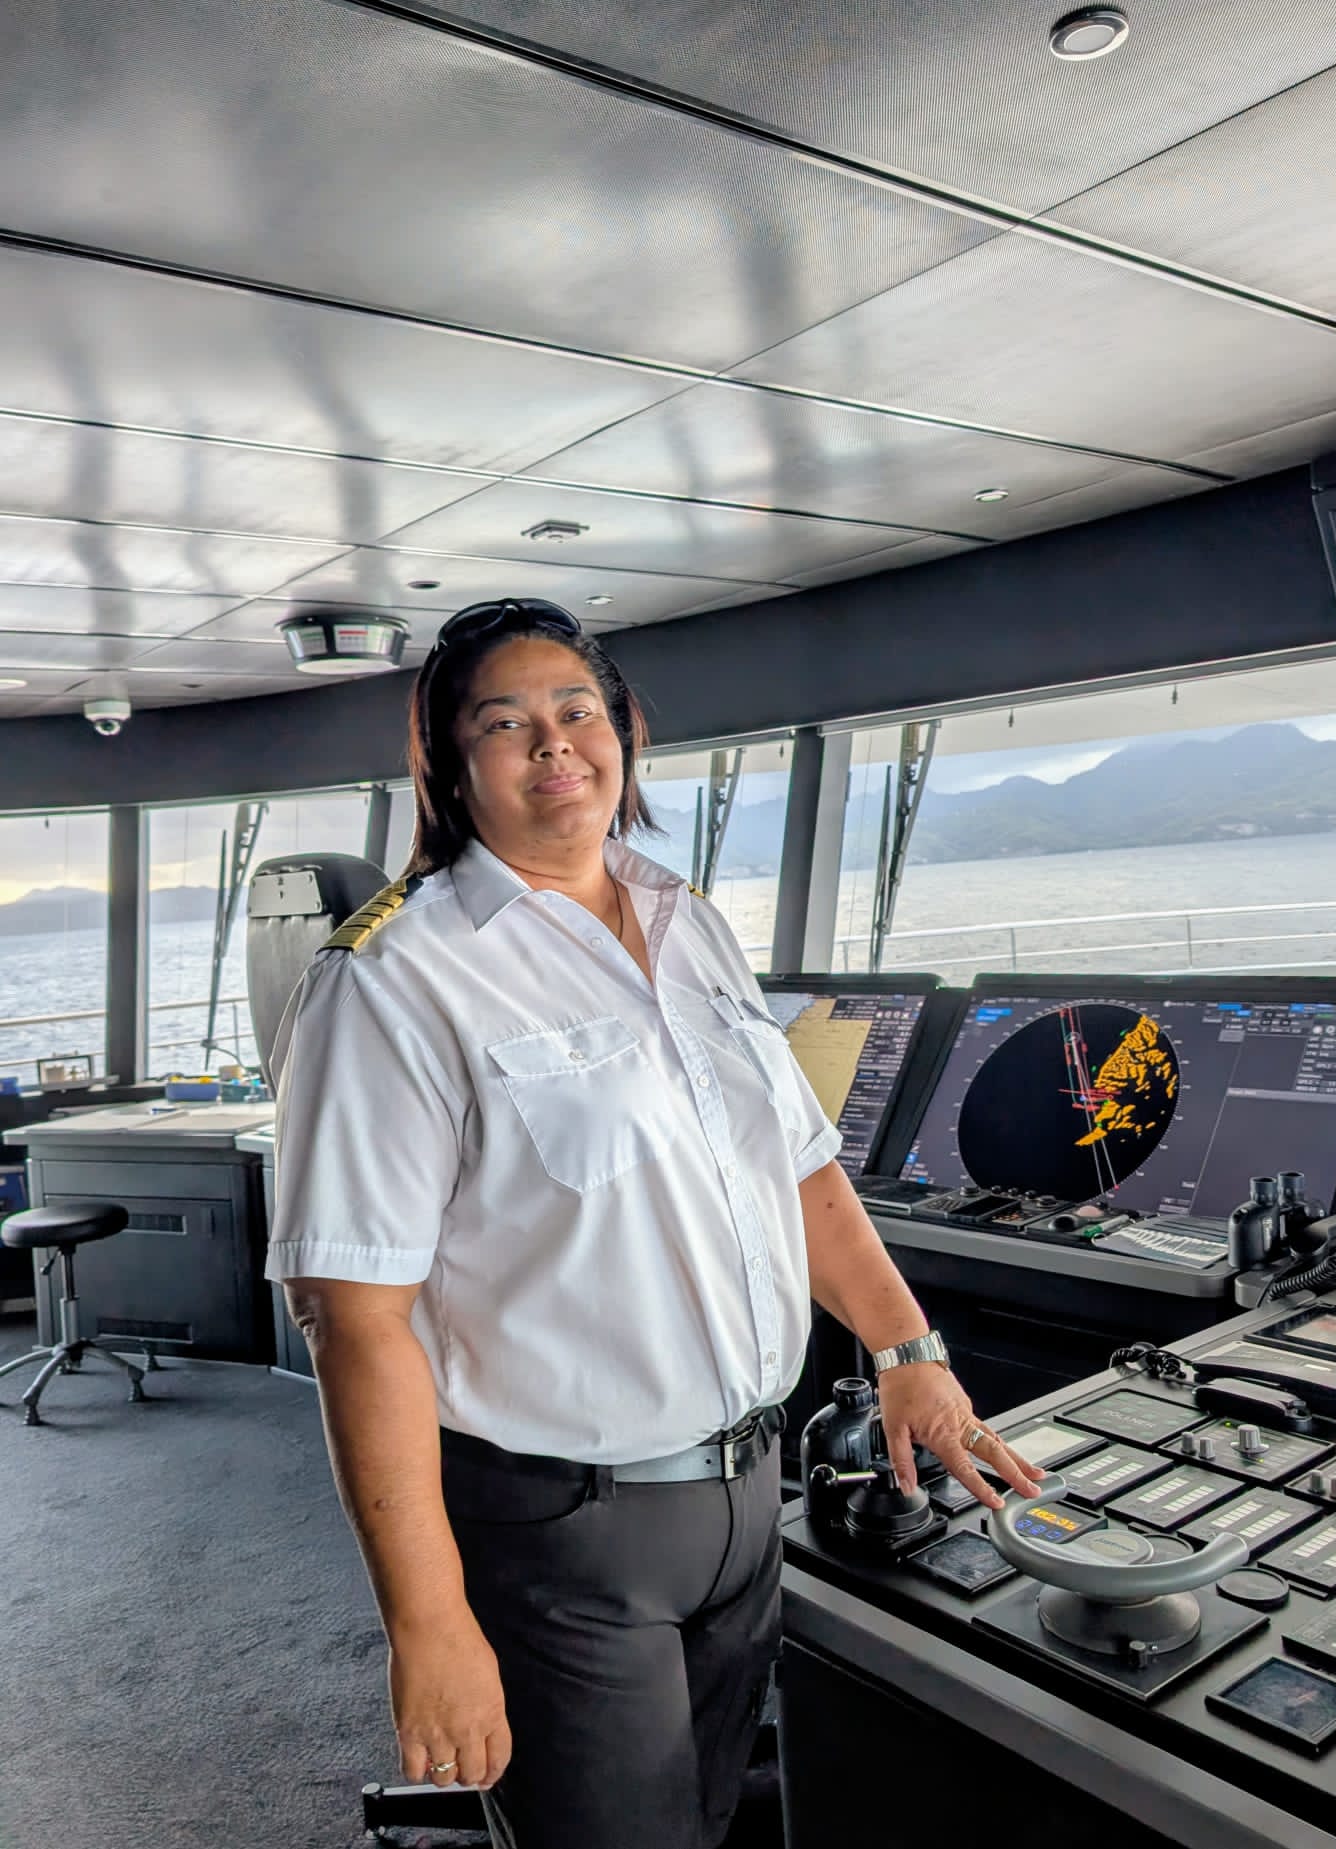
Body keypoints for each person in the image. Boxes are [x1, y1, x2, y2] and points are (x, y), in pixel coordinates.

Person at [265, 597, 1044, 1849]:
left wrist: (910, 1354)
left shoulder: (689, 922)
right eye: (506, 723)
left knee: (713, 1817)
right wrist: (427, 1620)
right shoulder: (393, 979)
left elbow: (801, 1172)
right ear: (448, 765)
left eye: (578, 712)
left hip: (746, 1493)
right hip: (562, 1530)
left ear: (624, 731)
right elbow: (356, 1321)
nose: (553, 745)